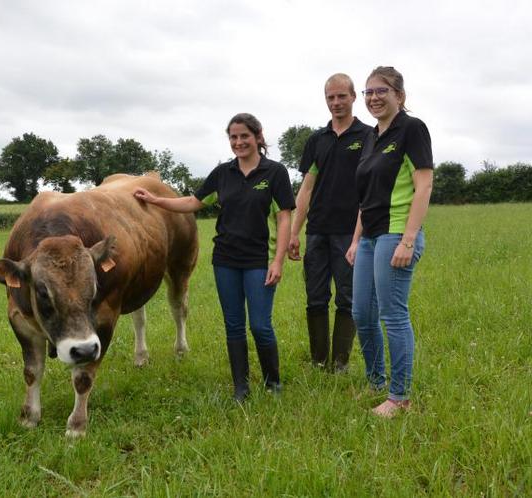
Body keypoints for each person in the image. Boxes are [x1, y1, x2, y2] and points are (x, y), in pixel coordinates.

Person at [134, 113, 294, 402]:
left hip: (260, 260)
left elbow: (284, 218)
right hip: (226, 260)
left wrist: (278, 260)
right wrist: (156, 200)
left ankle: (273, 383)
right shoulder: (223, 174)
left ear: (258, 136)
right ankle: (240, 387)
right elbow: (193, 202)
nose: (239, 142)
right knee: (233, 324)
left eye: (244, 135)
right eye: (233, 137)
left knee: (260, 324)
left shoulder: (275, 173)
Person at [345, 66, 433, 418]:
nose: (374, 97)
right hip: (369, 236)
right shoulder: (371, 137)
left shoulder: (412, 129)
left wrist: (408, 240)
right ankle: (376, 381)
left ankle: (400, 397)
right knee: (361, 313)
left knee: (392, 315)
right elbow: (365, 198)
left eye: (382, 90)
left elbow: (423, 185)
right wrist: (355, 240)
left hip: (397, 233)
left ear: (400, 95)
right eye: (368, 92)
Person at [288, 73, 371, 373]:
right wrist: (294, 232)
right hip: (318, 231)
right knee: (315, 296)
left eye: (341, 96)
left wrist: (359, 237)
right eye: (330, 98)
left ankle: (341, 363)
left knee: (347, 297)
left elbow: (369, 190)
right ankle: (318, 360)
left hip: (350, 232)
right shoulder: (316, 140)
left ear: (353, 97)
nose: (336, 102)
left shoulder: (367, 136)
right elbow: (307, 187)